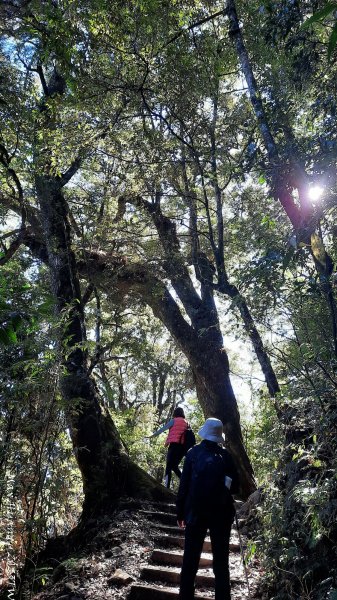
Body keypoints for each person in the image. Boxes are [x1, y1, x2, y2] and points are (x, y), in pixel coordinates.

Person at [176, 417, 239, 600]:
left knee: (190, 560)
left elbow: (184, 486)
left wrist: (180, 512)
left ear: (204, 432)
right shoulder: (226, 456)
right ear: (219, 435)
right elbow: (235, 487)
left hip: (195, 513)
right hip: (221, 515)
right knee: (221, 562)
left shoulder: (192, 453)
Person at [149, 406, 188, 488]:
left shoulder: (174, 421)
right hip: (183, 448)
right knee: (174, 466)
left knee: (169, 466)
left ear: (175, 413)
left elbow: (163, 429)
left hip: (174, 446)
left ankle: (166, 487)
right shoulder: (187, 423)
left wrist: (152, 436)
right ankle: (185, 482)